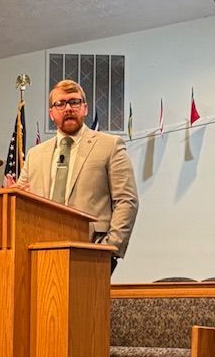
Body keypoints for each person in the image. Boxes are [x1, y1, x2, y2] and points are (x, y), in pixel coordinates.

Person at [14, 79, 138, 271]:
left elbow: (126, 200)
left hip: (91, 252)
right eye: (60, 104)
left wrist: (110, 248)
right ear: (51, 113)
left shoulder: (110, 145)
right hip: (40, 254)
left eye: (75, 102)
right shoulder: (35, 154)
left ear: (85, 108)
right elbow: (21, 200)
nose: (68, 108)